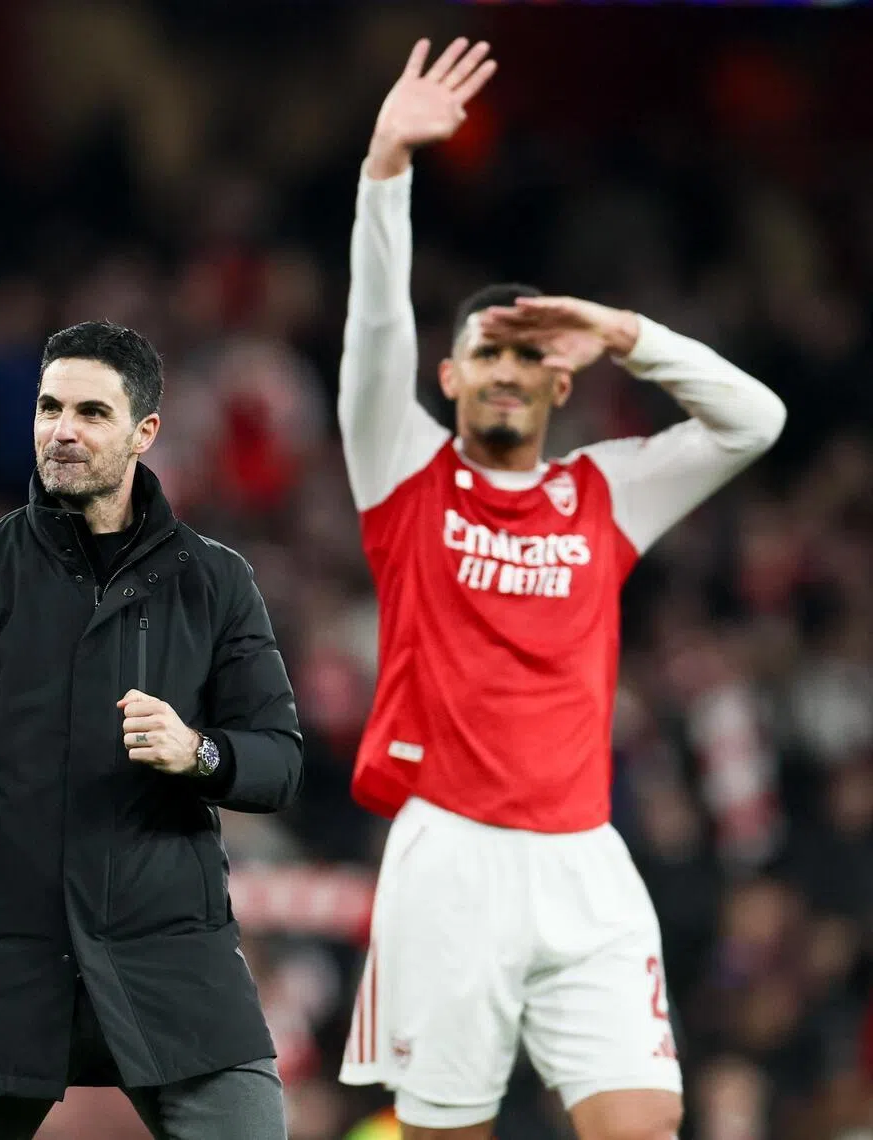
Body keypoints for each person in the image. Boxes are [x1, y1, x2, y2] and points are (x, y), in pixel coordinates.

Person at [337, 38, 786, 1140]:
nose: (501, 369)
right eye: (483, 351)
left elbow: (755, 421)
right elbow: (376, 327)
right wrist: (386, 164)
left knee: (644, 1125)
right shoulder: (401, 472)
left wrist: (630, 334)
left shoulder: (606, 493)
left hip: (587, 860)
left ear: (560, 377)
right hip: (451, 858)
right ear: (448, 378)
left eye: (526, 354)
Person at [0, 321, 303, 1140]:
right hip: (4, 954)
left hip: (169, 956)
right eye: (48, 408)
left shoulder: (215, 582)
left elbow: (277, 760)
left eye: (90, 412)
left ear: (144, 432)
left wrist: (199, 751)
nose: (62, 430)